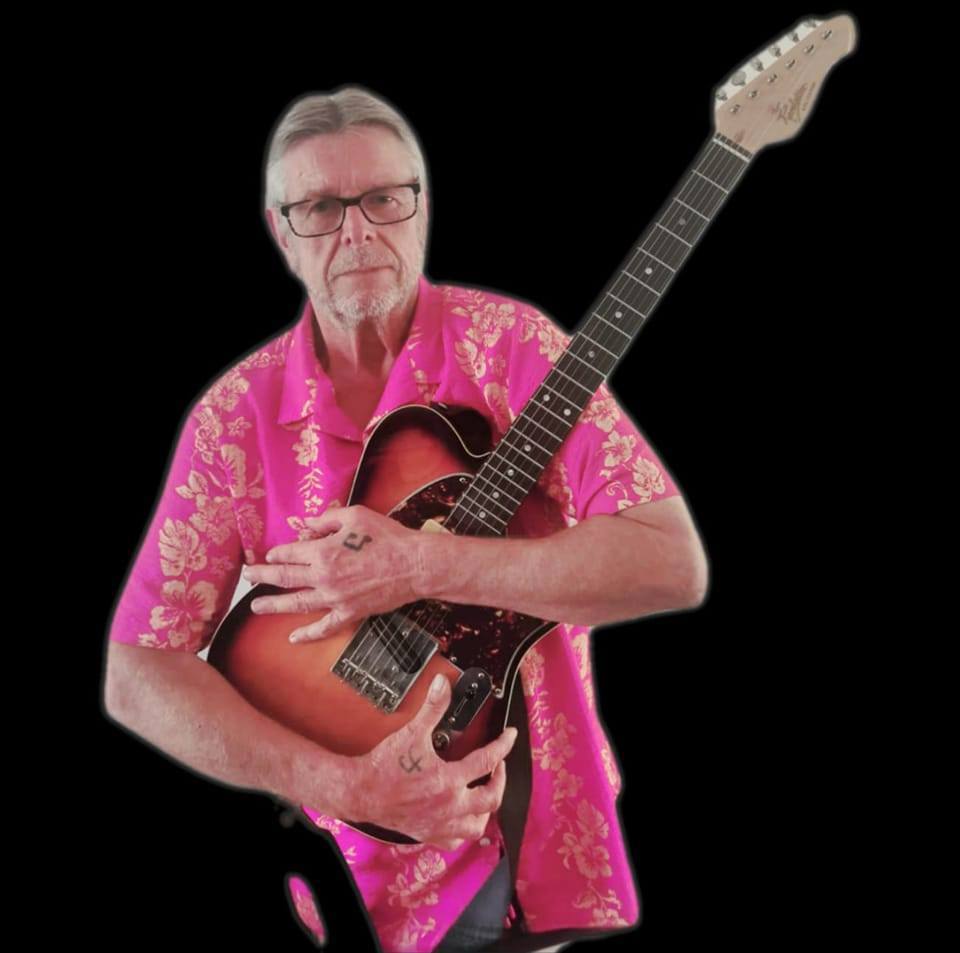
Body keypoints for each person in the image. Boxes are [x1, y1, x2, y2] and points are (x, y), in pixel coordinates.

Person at [103, 86, 709, 953]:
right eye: (321, 207)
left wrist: (422, 566)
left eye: (384, 198)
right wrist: (342, 784)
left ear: (421, 206)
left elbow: (671, 561)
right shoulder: (235, 414)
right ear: (281, 232)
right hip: (320, 865)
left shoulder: (514, 348)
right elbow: (137, 669)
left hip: (509, 826)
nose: (357, 231)